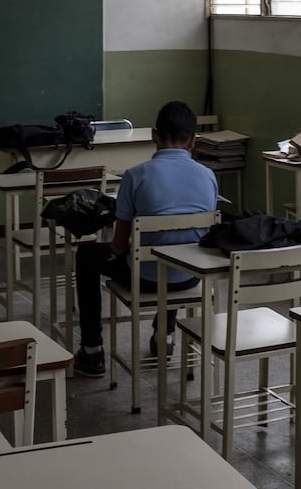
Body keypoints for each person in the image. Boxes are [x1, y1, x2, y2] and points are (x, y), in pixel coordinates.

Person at [73, 100, 217, 377]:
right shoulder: (208, 176)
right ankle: (165, 337)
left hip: (144, 278)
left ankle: (91, 351)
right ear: (193, 141)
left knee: (87, 254)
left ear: (154, 135)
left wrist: (124, 250)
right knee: (177, 249)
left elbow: (117, 245)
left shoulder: (135, 176)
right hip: (191, 275)